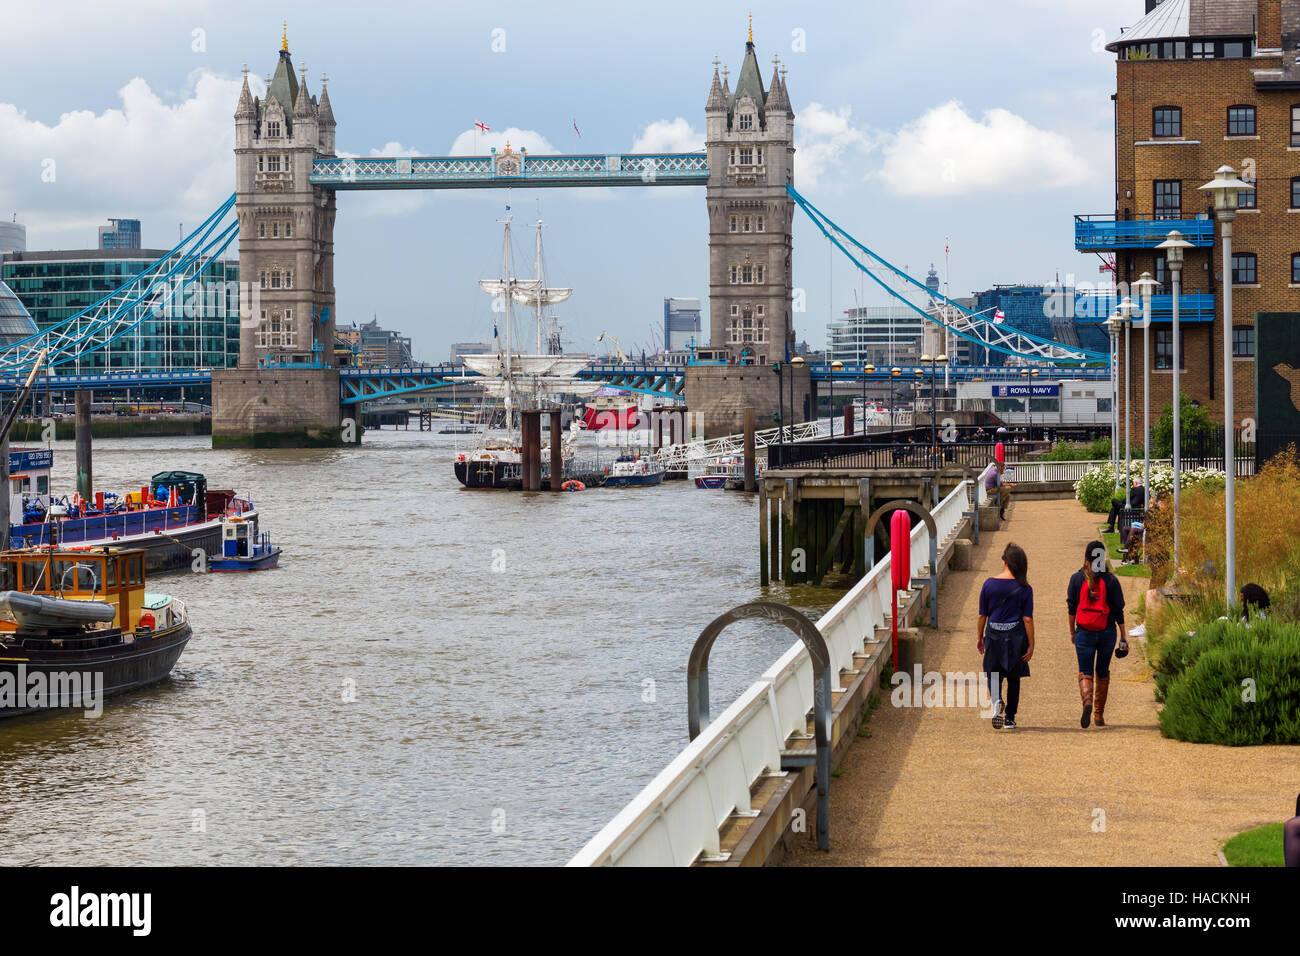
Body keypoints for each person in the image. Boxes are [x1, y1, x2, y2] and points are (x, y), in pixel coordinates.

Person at [1067, 540, 1129, 729]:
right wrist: (1123, 636)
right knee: (1102, 672)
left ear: (1086, 556)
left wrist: (1072, 632)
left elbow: (1071, 608)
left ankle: (1087, 701)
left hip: (1084, 631)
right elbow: (1118, 611)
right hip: (1107, 631)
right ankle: (1098, 715)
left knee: (1085, 671)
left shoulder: (1077, 579)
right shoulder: (1111, 581)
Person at [976, 543, 1035, 730]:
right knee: (1014, 677)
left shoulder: (989, 584)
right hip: (1015, 635)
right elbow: (1027, 619)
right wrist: (1031, 644)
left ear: (1005, 562)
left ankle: (997, 701)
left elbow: (982, 615)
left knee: (993, 673)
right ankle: (1010, 717)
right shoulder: (1025, 587)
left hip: (994, 633)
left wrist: (980, 636)